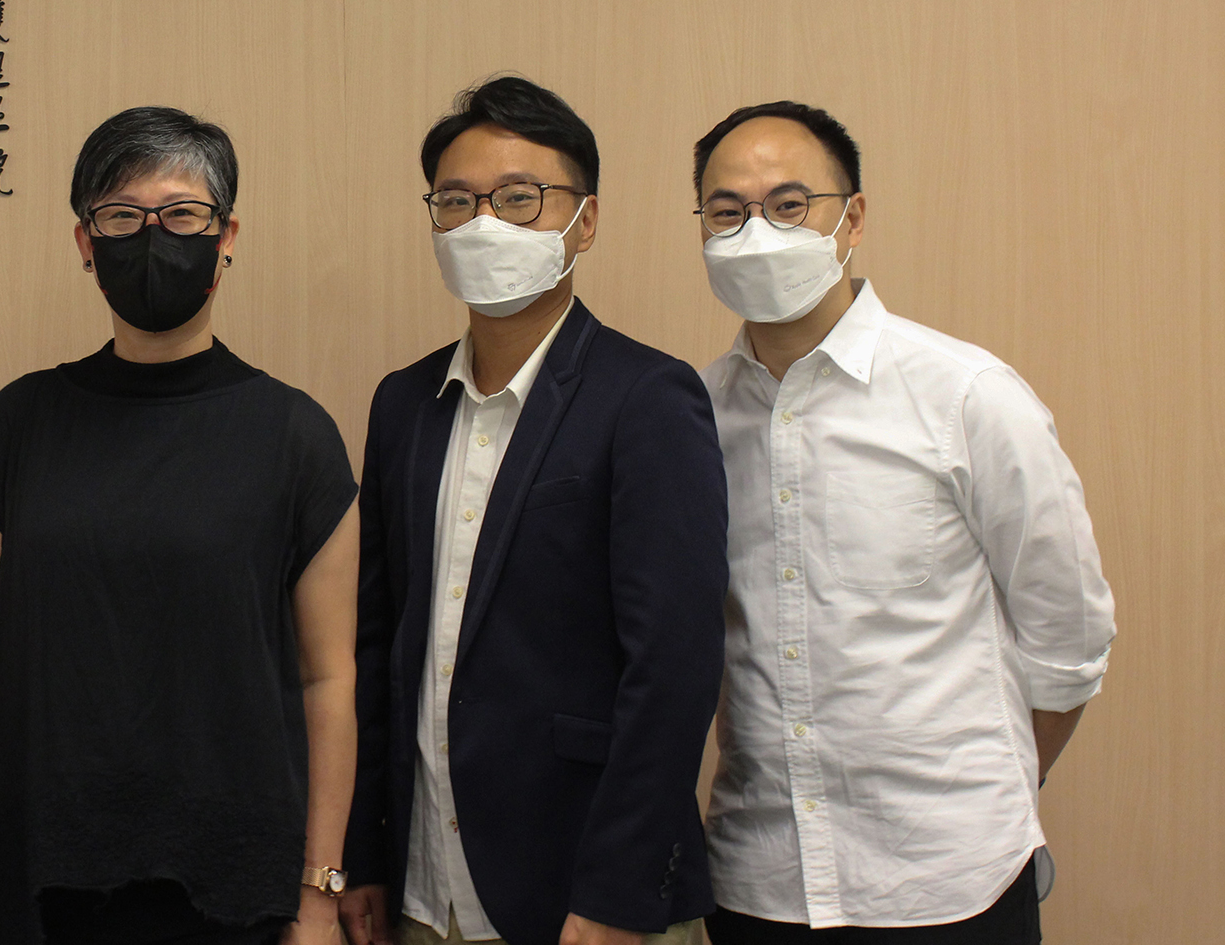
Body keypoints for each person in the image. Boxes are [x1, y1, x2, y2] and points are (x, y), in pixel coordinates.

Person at [689, 102, 1116, 944]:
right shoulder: (691, 419)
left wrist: (977, 800)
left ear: (852, 217)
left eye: (788, 205)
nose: (755, 233)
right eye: (726, 212)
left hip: (950, 881)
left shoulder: (967, 394)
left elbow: (1069, 641)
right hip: (759, 883)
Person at [340, 77, 728, 945]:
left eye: (520, 198)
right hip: (421, 890)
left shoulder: (648, 398)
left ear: (584, 222)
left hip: (578, 895)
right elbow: (379, 643)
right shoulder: (403, 403)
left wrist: (618, 895)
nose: (485, 224)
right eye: (456, 201)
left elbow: (674, 667)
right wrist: (364, 853)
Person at [0, 106, 361, 945]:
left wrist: (320, 890)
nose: (153, 238)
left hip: (233, 885)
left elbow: (329, 681)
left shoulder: (296, 435)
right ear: (85, 242)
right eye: (121, 215)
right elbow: (1, 645)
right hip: (47, 878)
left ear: (226, 237)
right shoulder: (24, 420)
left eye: (182, 214)